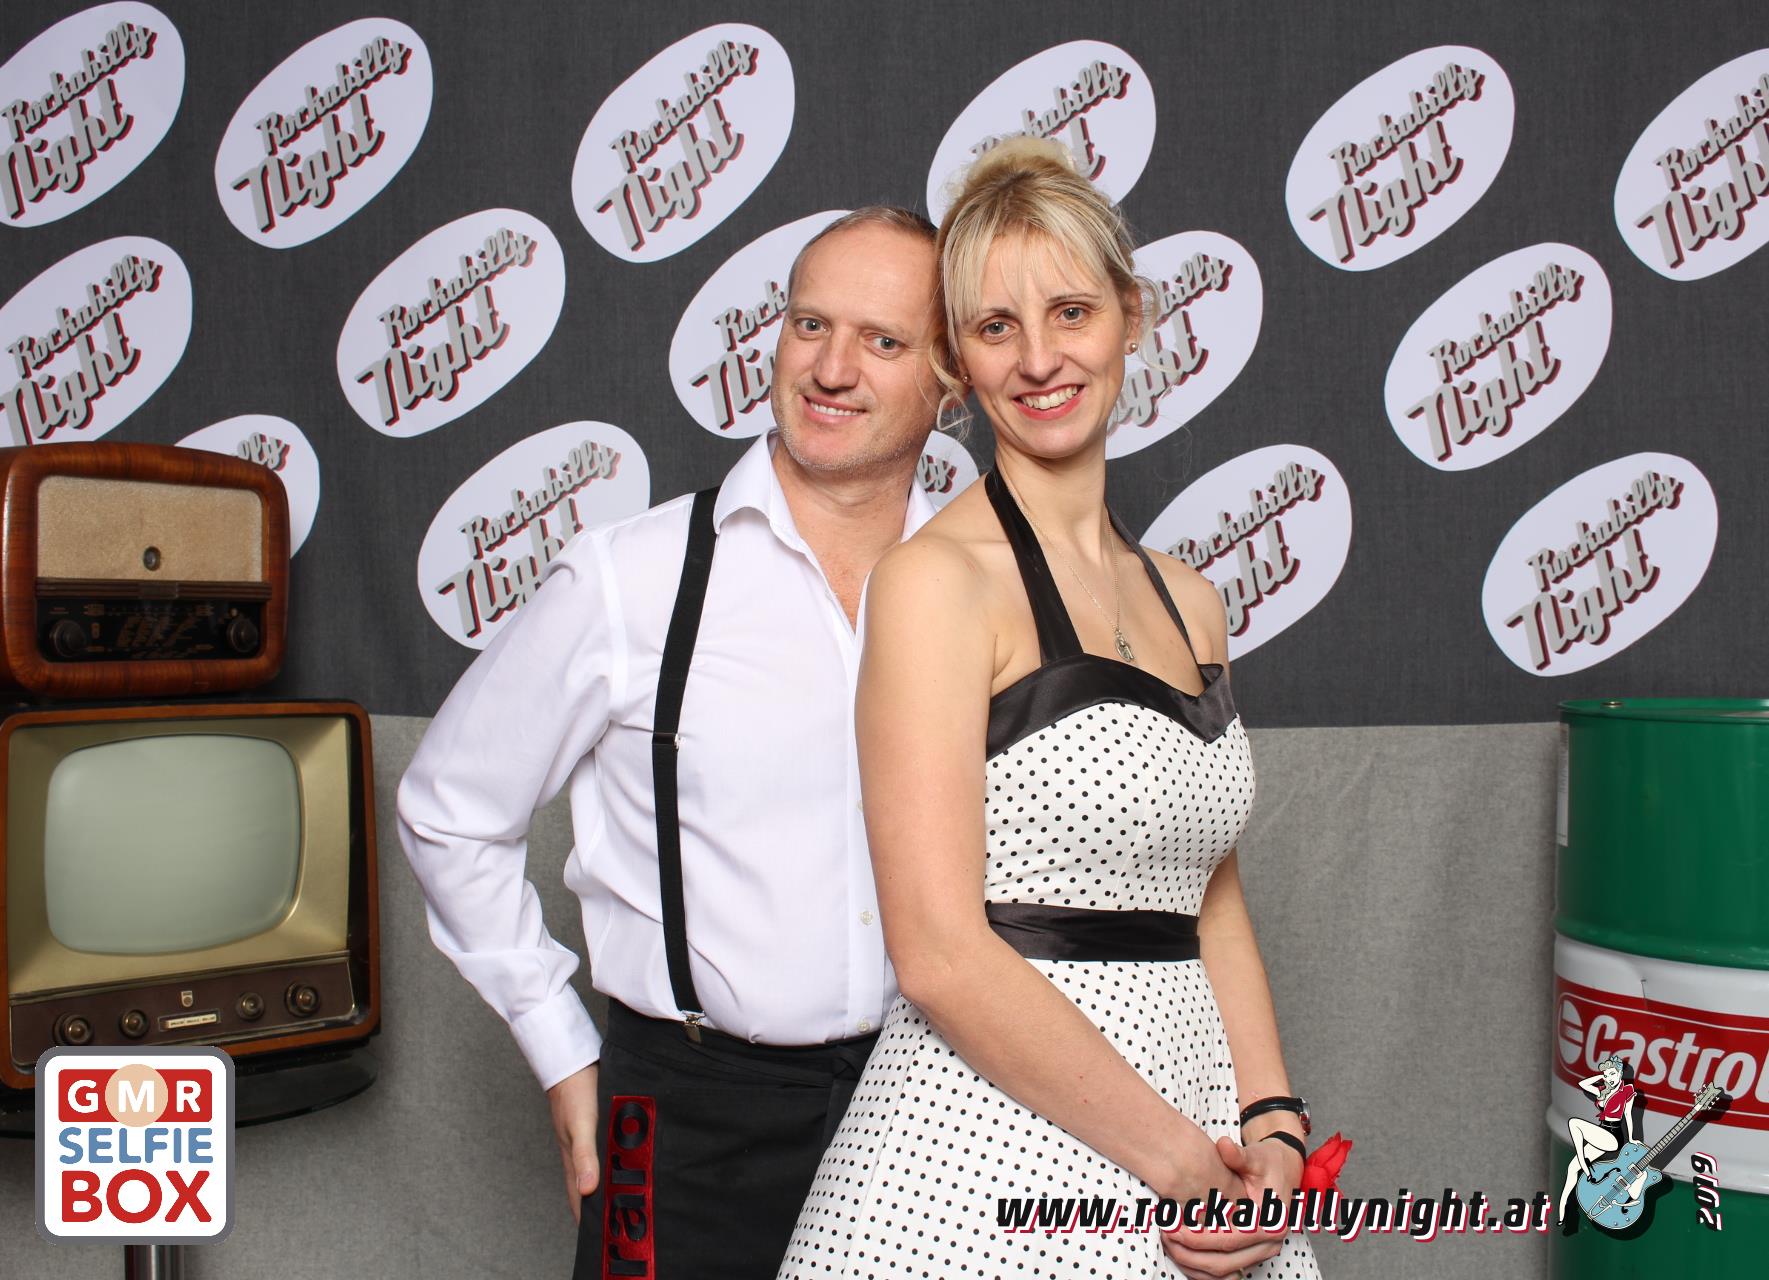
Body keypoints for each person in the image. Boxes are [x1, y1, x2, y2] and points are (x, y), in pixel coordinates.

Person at [778, 139, 1320, 1279]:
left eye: (1070, 311)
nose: (1037, 359)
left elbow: (1209, 894)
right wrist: (1177, 1162)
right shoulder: (934, 584)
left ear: (1131, 316)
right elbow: (935, 953)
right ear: (957, 363)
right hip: (987, 1160)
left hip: (1200, 1130)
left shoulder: (1189, 599)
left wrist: (1272, 1122)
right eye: (994, 327)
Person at [397, 205, 943, 1279]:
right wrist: (561, 1050)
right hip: (686, 1114)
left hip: (928, 1108)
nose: (832, 368)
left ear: (950, 379)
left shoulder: (983, 588)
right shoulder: (631, 578)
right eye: (809, 324)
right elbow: (447, 811)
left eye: (883, 340)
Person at [1557, 1054, 1638, 1225]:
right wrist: (1602, 1076)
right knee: (1572, 1169)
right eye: (1607, 1075)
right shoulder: (1603, 1091)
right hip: (1601, 1133)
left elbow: (1628, 1116)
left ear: (1620, 1073)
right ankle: (1563, 1212)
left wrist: (1631, 1138)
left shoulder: (1626, 1091)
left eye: (1613, 1074)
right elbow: (1583, 1084)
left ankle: (1584, 1163)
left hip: (1613, 1135)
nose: (1609, 1078)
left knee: (1574, 1123)